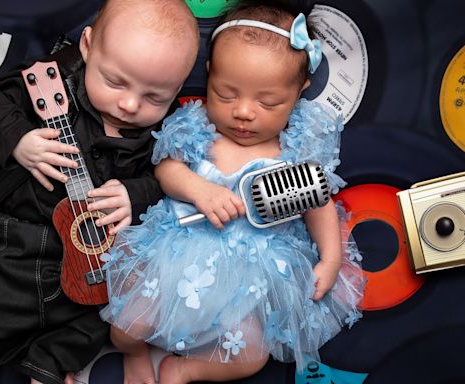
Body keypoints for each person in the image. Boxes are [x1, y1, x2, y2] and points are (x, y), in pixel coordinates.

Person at [99, 1, 365, 383]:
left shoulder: (297, 147)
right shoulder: (198, 127)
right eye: (225, 93)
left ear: (299, 91)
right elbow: (167, 168)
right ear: (209, 75)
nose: (243, 112)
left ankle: (185, 369)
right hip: (178, 254)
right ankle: (135, 353)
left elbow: (318, 202)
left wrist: (330, 259)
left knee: (252, 354)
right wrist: (198, 189)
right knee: (125, 327)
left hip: (253, 273)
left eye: (268, 102)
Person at [0, 1, 199, 384]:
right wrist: (20, 141)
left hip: (101, 256)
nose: (130, 104)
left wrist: (134, 194)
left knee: (113, 314)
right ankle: (25, 353)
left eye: (155, 97)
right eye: (115, 82)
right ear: (87, 46)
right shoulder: (53, 80)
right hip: (23, 236)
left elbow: (172, 179)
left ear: (178, 88)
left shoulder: (167, 130)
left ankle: (46, 365)